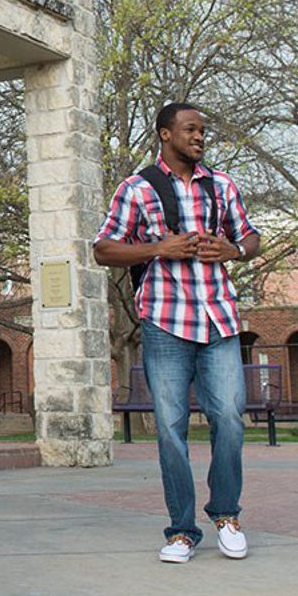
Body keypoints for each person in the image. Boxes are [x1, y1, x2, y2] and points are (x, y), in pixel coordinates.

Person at [93, 102, 261, 564]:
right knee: (170, 429)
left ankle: (226, 514)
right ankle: (182, 531)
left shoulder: (222, 185)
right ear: (166, 134)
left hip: (220, 318)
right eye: (190, 130)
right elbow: (103, 249)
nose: (199, 137)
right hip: (166, 321)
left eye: (203, 130)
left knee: (229, 417)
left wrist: (234, 250)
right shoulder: (137, 188)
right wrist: (158, 247)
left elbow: (250, 236)